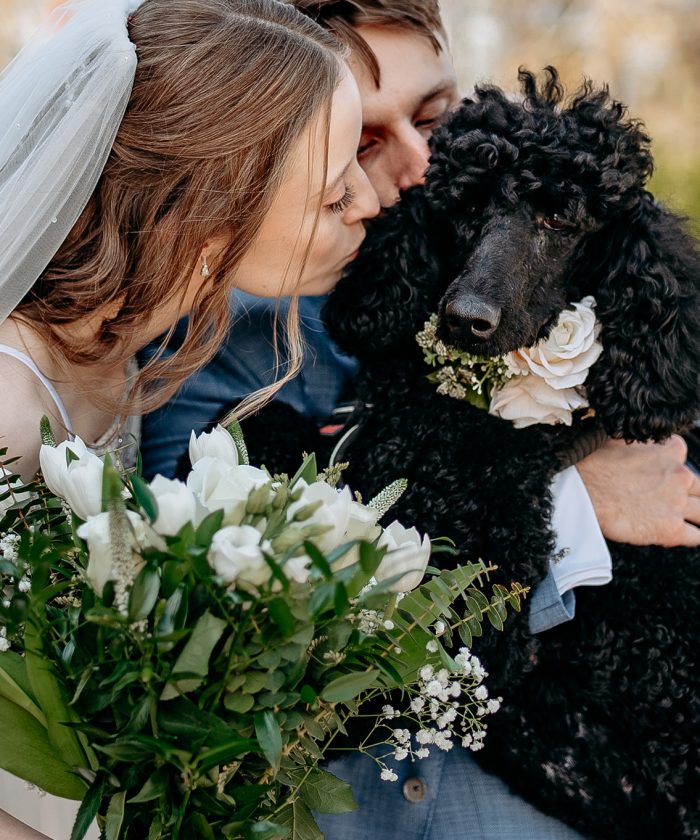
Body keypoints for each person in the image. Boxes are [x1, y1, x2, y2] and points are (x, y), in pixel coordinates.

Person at [138, 2, 700, 839]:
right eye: (362, 140)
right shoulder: (203, 346)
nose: (417, 163)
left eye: (434, 116)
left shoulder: (618, 316)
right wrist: (571, 493)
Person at [0, 0, 379, 837]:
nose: (369, 200)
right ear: (211, 226)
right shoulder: (8, 407)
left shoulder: (118, 348)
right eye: (332, 191)